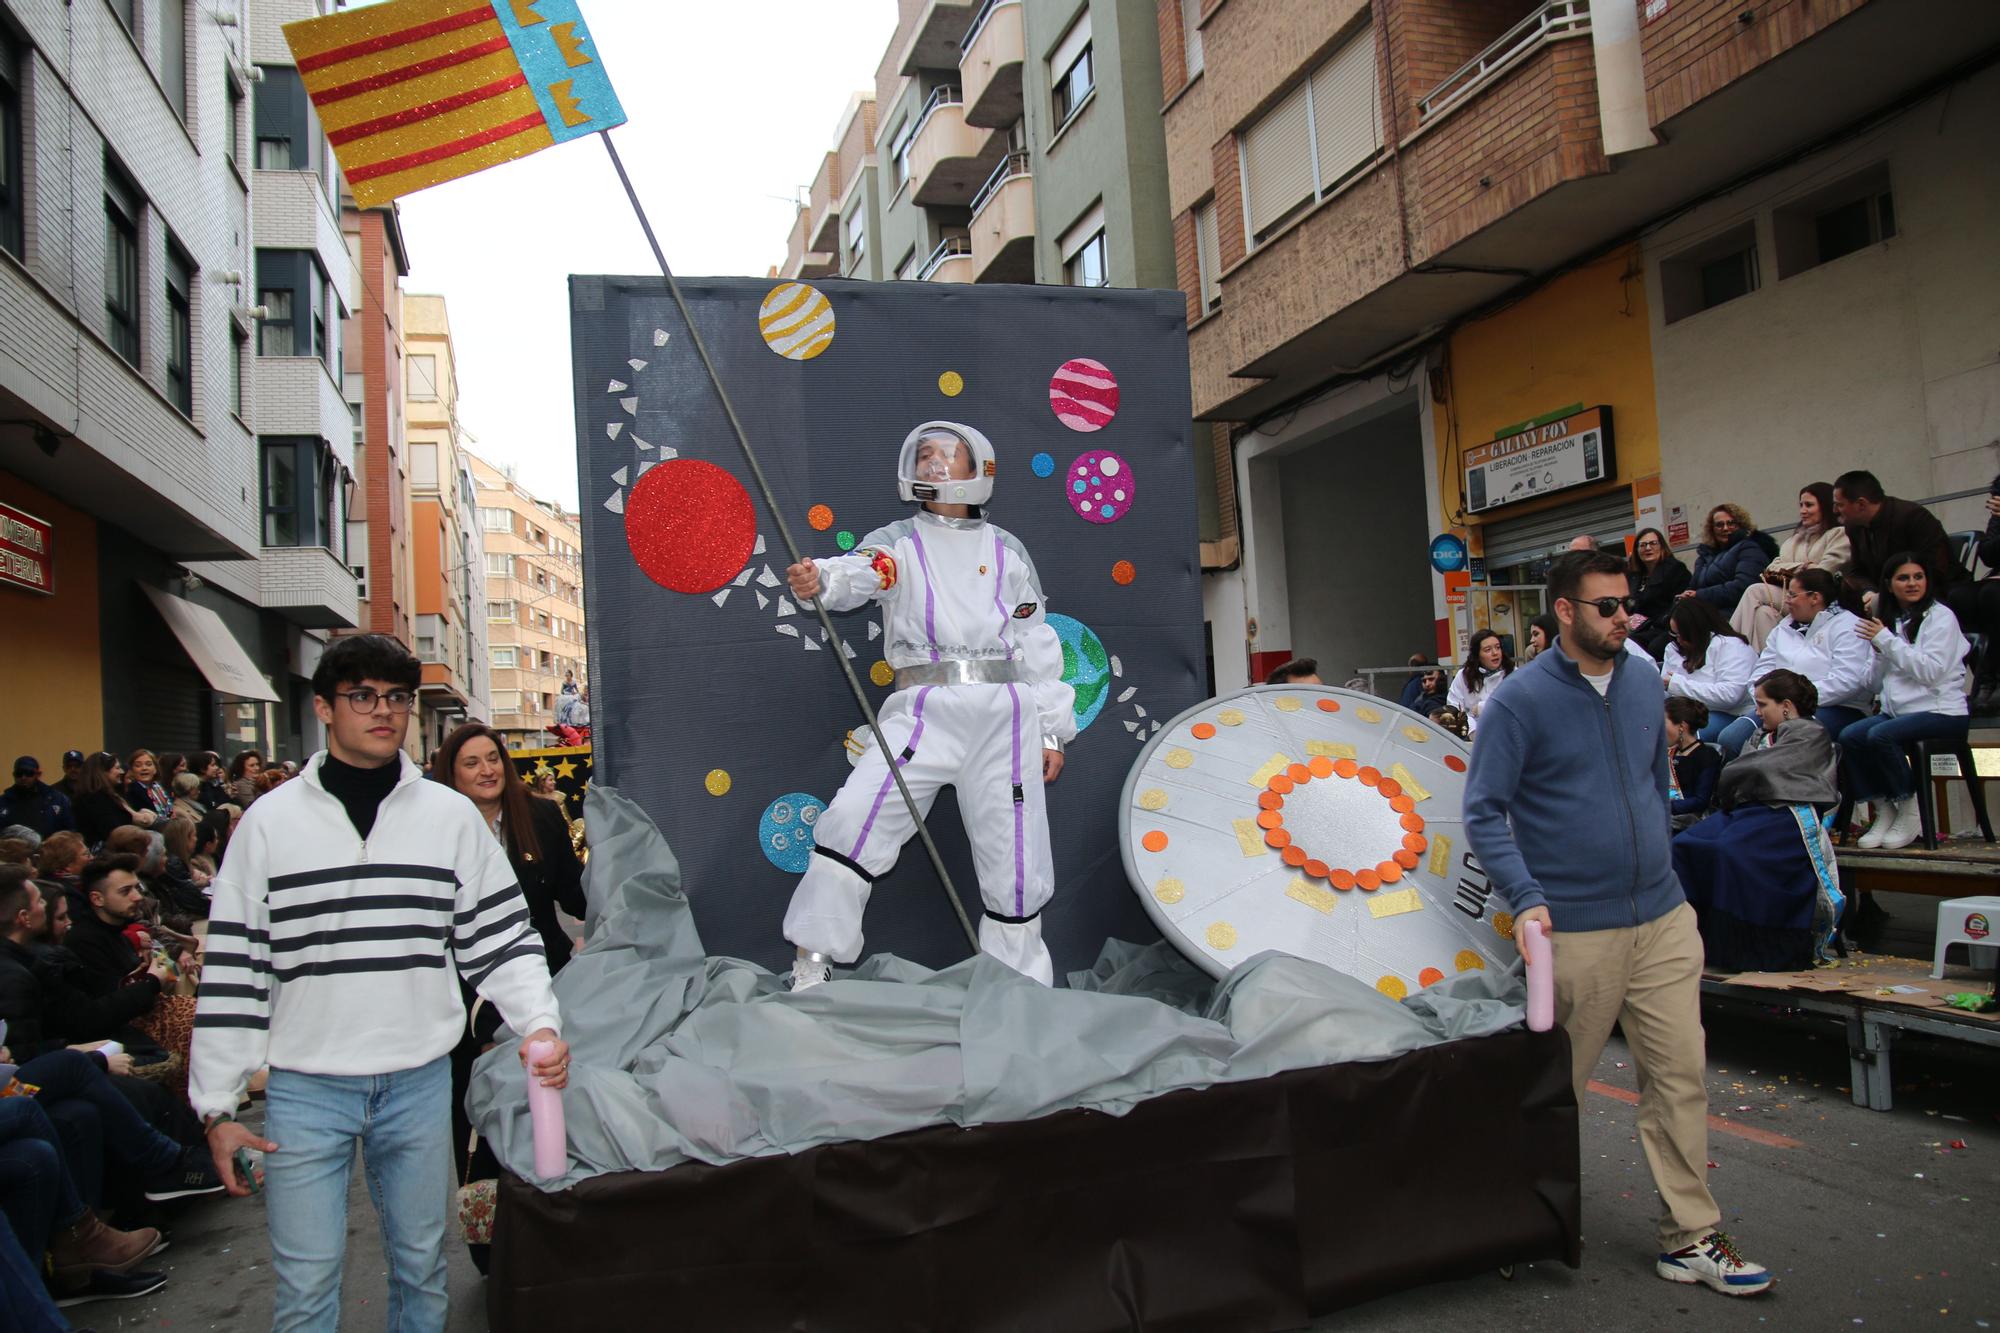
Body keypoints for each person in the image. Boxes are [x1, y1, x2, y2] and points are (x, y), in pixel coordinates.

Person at [190, 633, 568, 1331]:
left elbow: (503, 935)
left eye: (396, 696)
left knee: (423, 1269)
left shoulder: (447, 817)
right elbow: (236, 967)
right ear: (325, 708)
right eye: (362, 695)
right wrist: (216, 1103)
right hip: (306, 1088)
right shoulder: (268, 825)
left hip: (420, 1080)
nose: (383, 710)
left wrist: (537, 1020)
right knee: (306, 1285)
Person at [1464, 549, 1769, 1297]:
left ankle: (1691, 1235)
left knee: (1680, 1076)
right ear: (1564, 611)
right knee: (1551, 1087)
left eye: (1627, 603)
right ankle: (1503, 1213)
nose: (1623, 617)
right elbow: (1482, 810)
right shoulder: (1519, 701)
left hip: (1662, 916)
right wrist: (1527, 894)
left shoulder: (1641, 680)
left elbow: (1646, 782)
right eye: (1606, 606)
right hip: (1574, 928)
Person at [782, 420, 1076, 991]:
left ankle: (1022, 991)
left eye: (947, 455)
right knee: (852, 819)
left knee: (1016, 857)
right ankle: (810, 966)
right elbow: (862, 573)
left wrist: (1050, 732)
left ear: (979, 469)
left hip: (1005, 716)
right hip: (924, 712)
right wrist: (820, 577)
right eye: (924, 455)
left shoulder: (1008, 551)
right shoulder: (897, 544)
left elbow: (1036, 641)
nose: (934, 464)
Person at [437, 721, 587, 1272]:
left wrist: (607, 919)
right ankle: (490, 1248)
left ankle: (552, 1235)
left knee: (546, 1104)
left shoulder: (542, 816)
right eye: (471, 763)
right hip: (466, 998)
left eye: (493, 758)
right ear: (451, 774)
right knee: (474, 1114)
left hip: (541, 986)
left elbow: (575, 892)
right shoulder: (438, 827)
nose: (487, 770)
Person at [1674, 670, 1842, 972]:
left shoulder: (1811, 733)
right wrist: (1743, 775)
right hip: (1748, 811)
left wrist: (1740, 774)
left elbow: (1754, 770)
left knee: (1730, 850)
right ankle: (1693, 939)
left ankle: (1742, 948)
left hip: (1787, 814)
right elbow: (1748, 771)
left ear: (1787, 706)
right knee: (1687, 843)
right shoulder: (1760, 735)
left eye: (1763, 705)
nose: (1758, 712)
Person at [1845, 553, 1971, 850]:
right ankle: (1886, 809)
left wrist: (1886, 641)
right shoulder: (1890, 622)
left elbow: (1930, 672)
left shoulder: (1941, 617)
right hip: (1897, 712)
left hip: (1942, 710)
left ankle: (1909, 808)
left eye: (1918, 576)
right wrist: (1878, 651)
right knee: (1851, 737)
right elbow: (1872, 684)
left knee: (1880, 735)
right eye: (1904, 578)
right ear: (1889, 584)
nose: (1912, 583)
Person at [1715, 568, 1873, 755]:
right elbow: (1762, 671)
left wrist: (1795, 702)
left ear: (1815, 597)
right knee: (1731, 738)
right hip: (1776, 706)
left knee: (1782, 743)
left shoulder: (1849, 626)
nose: (1786, 600)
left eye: (1792, 595)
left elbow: (1847, 681)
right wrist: (1765, 700)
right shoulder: (1784, 628)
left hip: (1837, 707)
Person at [1731, 483, 1850, 650]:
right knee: (1763, 614)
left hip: (1820, 600)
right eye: (1801, 505)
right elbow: (1770, 568)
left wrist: (1790, 569)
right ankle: (1764, 665)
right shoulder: (1794, 540)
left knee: (1754, 590)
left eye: (1809, 505)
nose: (1803, 510)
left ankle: (1731, 645)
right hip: (1791, 596)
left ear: (1825, 505)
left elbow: (1823, 572)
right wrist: (1800, 567)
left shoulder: (1838, 534)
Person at [1834, 469, 1965, 614]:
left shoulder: (1913, 517)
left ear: (1861, 504)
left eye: (1840, 505)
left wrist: (1888, 595)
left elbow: (1934, 568)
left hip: (1931, 591)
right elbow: (1857, 571)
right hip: (1885, 594)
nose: (1835, 510)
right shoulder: (1854, 527)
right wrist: (1868, 591)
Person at [1661, 600, 1756, 745]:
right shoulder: (1673, 648)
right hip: (1684, 712)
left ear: (1697, 630)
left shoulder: (1731, 646)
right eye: (1674, 634)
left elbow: (1730, 696)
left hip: (1728, 713)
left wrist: (1677, 684)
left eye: (1682, 635)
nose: (1678, 640)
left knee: (1685, 738)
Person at [1678, 504, 1775, 617]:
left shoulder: (1749, 548)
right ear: (1712, 529)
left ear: (1740, 525)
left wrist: (1699, 595)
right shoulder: (1704, 557)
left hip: (1736, 615)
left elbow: (1744, 587)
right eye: (1719, 525)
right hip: (1704, 615)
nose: (1725, 528)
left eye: (1731, 523)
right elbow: (1693, 586)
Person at [1627, 527, 1691, 660]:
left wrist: (1649, 622)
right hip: (1640, 628)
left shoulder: (1675, 569)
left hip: (1665, 625)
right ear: (1637, 550)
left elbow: (1679, 604)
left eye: (1653, 543)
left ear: (1662, 546)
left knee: (1642, 646)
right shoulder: (1634, 575)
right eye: (1643, 545)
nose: (1648, 548)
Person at [71, 753, 151, 848]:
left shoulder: (111, 795)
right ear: (103, 772)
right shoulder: (95, 799)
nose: (121, 772)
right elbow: (112, 831)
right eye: (117, 768)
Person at [1445, 628, 1512, 736]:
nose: (1495, 653)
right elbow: (1454, 709)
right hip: (1471, 738)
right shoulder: (1463, 676)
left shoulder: (1513, 674)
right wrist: (1472, 731)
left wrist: (1482, 707)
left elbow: (1515, 706)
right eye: (1488, 650)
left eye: (1497, 647)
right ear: (1477, 655)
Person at [1666, 698, 1720, 826]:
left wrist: (1664, 806)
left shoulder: (1707, 755)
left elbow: (1700, 800)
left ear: (1681, 727)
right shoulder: (1667, 752)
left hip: (1685, 821)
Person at [0, 759, 75, 840]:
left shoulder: (56, 799)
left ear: (38, 774)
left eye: (29, 773)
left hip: (49, 849)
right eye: (19, 774)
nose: (23, 777)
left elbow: (69, 830)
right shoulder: (4, 802)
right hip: (15, 849)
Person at [123, 752, 173, 823]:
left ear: (155, 769)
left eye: (148, 764)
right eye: (138, 765)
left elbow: (170, 810)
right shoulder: (131, 792)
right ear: (131, 771)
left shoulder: (158, 787)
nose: (144, 768)